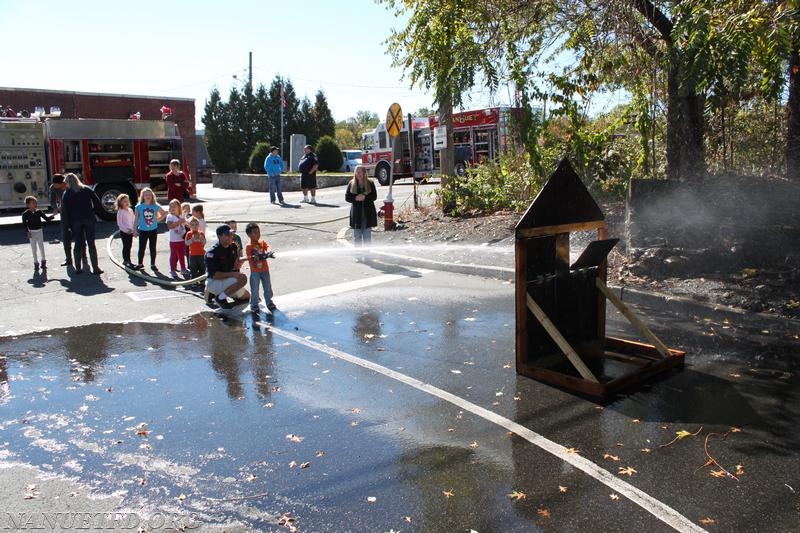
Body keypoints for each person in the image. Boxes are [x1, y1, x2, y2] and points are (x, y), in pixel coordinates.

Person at [61, 173, 103, 275]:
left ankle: (78, 268)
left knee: (78, 244)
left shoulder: (67, 193)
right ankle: (95, 267)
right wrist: (93, 212)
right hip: (88, 218)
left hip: (75, 221)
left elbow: (64, 211)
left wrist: (67, 226)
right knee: (91, 244)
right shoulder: (87, 189)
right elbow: (97, 202)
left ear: (67, 182)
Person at [205, 224, 250, 309]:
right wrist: (234, 274)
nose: (230, 236)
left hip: (227, 280)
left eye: (231, 234)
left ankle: (223, 294)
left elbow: (236, 265)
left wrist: (249, 258)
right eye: (227, 235)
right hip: (214, 282)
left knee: (247, 297)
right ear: (219, 236)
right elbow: (214, 275)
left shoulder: (233, 246)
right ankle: (220, 298)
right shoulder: (212, 252)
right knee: (242, 278)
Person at [245, 222, 277, 314]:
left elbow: (268, 247)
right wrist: (259, 256)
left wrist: (270, 252)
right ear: (249, 234)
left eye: (258, 232)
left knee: (267, 287)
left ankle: (269, 302)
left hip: (265, 270)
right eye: (255, 232)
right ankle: (254, 305)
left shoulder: (262, 242)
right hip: (255, 272)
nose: (258, 234)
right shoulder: (249, 246)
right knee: (254, 289)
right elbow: (252, 257)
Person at [132, 187, 167, 271]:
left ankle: (153, 264)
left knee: (152, 247)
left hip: (153, 230)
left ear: (152, 196)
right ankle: (140, 263)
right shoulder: (138, 206)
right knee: (141, 247)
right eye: (146, 195)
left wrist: (157, 220)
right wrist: (134, 230)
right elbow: (136, 219)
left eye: (149, 195)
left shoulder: (155, 206)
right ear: (142, 196)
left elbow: (164, 213)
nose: (148, 196)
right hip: (143, 230)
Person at [345, 165, 378, 247]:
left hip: (368, 214)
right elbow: (347, 197)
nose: (358, 174)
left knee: (367, 237)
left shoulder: (370, 183)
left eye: (360, 172)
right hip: (356, 215)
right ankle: (358, 257)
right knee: (357, 237)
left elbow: (374, 196)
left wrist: (365, 198)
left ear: (364, 173)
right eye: (357, 172)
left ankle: (367, 255)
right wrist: (355, 198)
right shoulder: (351, 183)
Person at [22, 196, 54, 269]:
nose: (35, 204)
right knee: (34, 249)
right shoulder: (25, 214)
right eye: (33, 203)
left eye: (36, 202)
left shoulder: (39, 212)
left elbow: (47, 219)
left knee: (41, 247)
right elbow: (24, 224)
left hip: (39, 231)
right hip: (31, 232)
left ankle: (43, 262)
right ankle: (36, 263)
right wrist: (27, 232)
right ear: (28, 205)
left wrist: (53, 215)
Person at [49, 174, 73, 267]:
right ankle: (68, 258)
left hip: (74, 212)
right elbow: (52, 200)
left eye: (56, 185)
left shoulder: (69, 186)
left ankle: (83, 256)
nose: (54, 186)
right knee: (65, 235)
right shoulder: (53, 188)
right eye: (53, 184)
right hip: (63, 213)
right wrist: (55, 208)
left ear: (63, 183)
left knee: (79, 234)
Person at [165, 199, 189, 279]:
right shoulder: (169, 216)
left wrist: (186, 221)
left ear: (179, 207)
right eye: (171, 206)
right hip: (174, 240)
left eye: (174, 206)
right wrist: (179, 221)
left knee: (181, 255)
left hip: (182, 239)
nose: (172, 208)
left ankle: (183, 268)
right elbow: (170, 226)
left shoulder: (181, 216)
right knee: (173, 255)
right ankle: (172, 270)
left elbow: (186, 225)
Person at [115, 193, 135, 268]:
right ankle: (125, 261)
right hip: (124, 232)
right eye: (124, 201)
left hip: (130, 231)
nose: (126, 203)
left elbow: (133, 220)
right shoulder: (120, 211)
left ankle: (129, 260)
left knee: (129, 246)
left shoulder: (130, 210)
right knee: (126, 246)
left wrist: (133, 229)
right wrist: (126, 230)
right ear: (120, 203)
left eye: (127, 201)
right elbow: (120, 223)